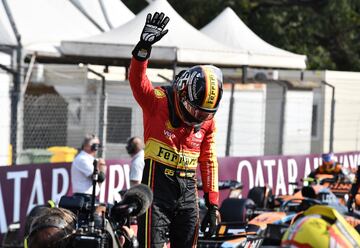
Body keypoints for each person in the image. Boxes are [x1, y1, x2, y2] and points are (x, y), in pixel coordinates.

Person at [129, 12, 223, 247]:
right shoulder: (158, 101)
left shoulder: (208, 122)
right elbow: (138, 82)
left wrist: (212, 204)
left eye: (205, 113)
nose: (200, 118)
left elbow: (208, 160)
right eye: (197, 111)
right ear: (183, 93)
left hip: (188, 195)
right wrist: (143, 49)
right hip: (156, 195)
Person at [71, 134, 107, 200]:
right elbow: (100, 178)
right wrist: (102, 167)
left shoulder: (89, 159)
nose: (97, 148)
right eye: (95, 145)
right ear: (86, 145)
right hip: (83, 196)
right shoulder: (82, 159)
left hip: (89, 196)